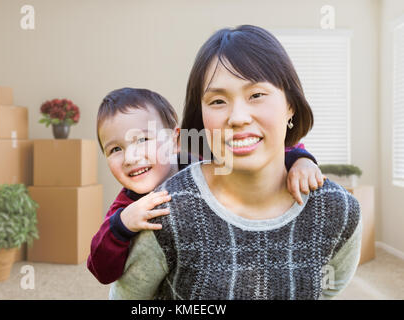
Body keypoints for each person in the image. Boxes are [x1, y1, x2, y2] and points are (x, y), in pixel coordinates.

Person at [109, 25, 361, 300]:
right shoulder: (167, 210)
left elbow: (328, 289)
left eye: (256, 95)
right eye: (218, 101)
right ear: (202, 116)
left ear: (290, 105)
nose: (238, 117)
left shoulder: (337, 210)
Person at [87, 87, 324, 285]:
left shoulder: (205, 167)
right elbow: (101, 270)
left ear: (175, 141)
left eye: (142, 139)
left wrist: (300, 160)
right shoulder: (125, 208)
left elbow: (262, 156)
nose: (130, 157)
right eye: (115, 149)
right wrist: (122, 225)